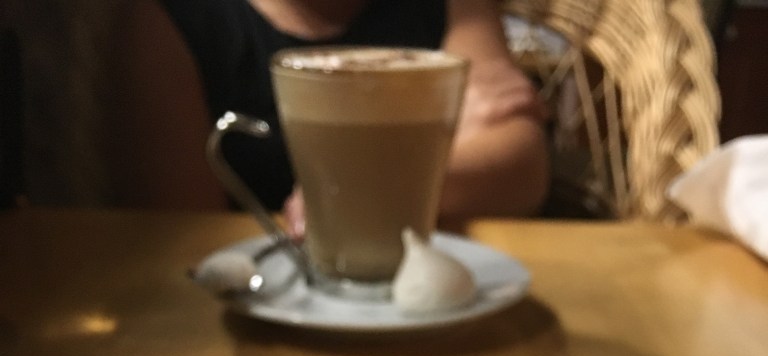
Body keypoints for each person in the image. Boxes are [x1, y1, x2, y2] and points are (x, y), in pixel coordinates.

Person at [107, 0, 550, 226]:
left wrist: (369, 190)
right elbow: (184, 237)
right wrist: (426, 176)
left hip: (435, 304)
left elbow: (521, 167)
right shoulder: (171, 16)